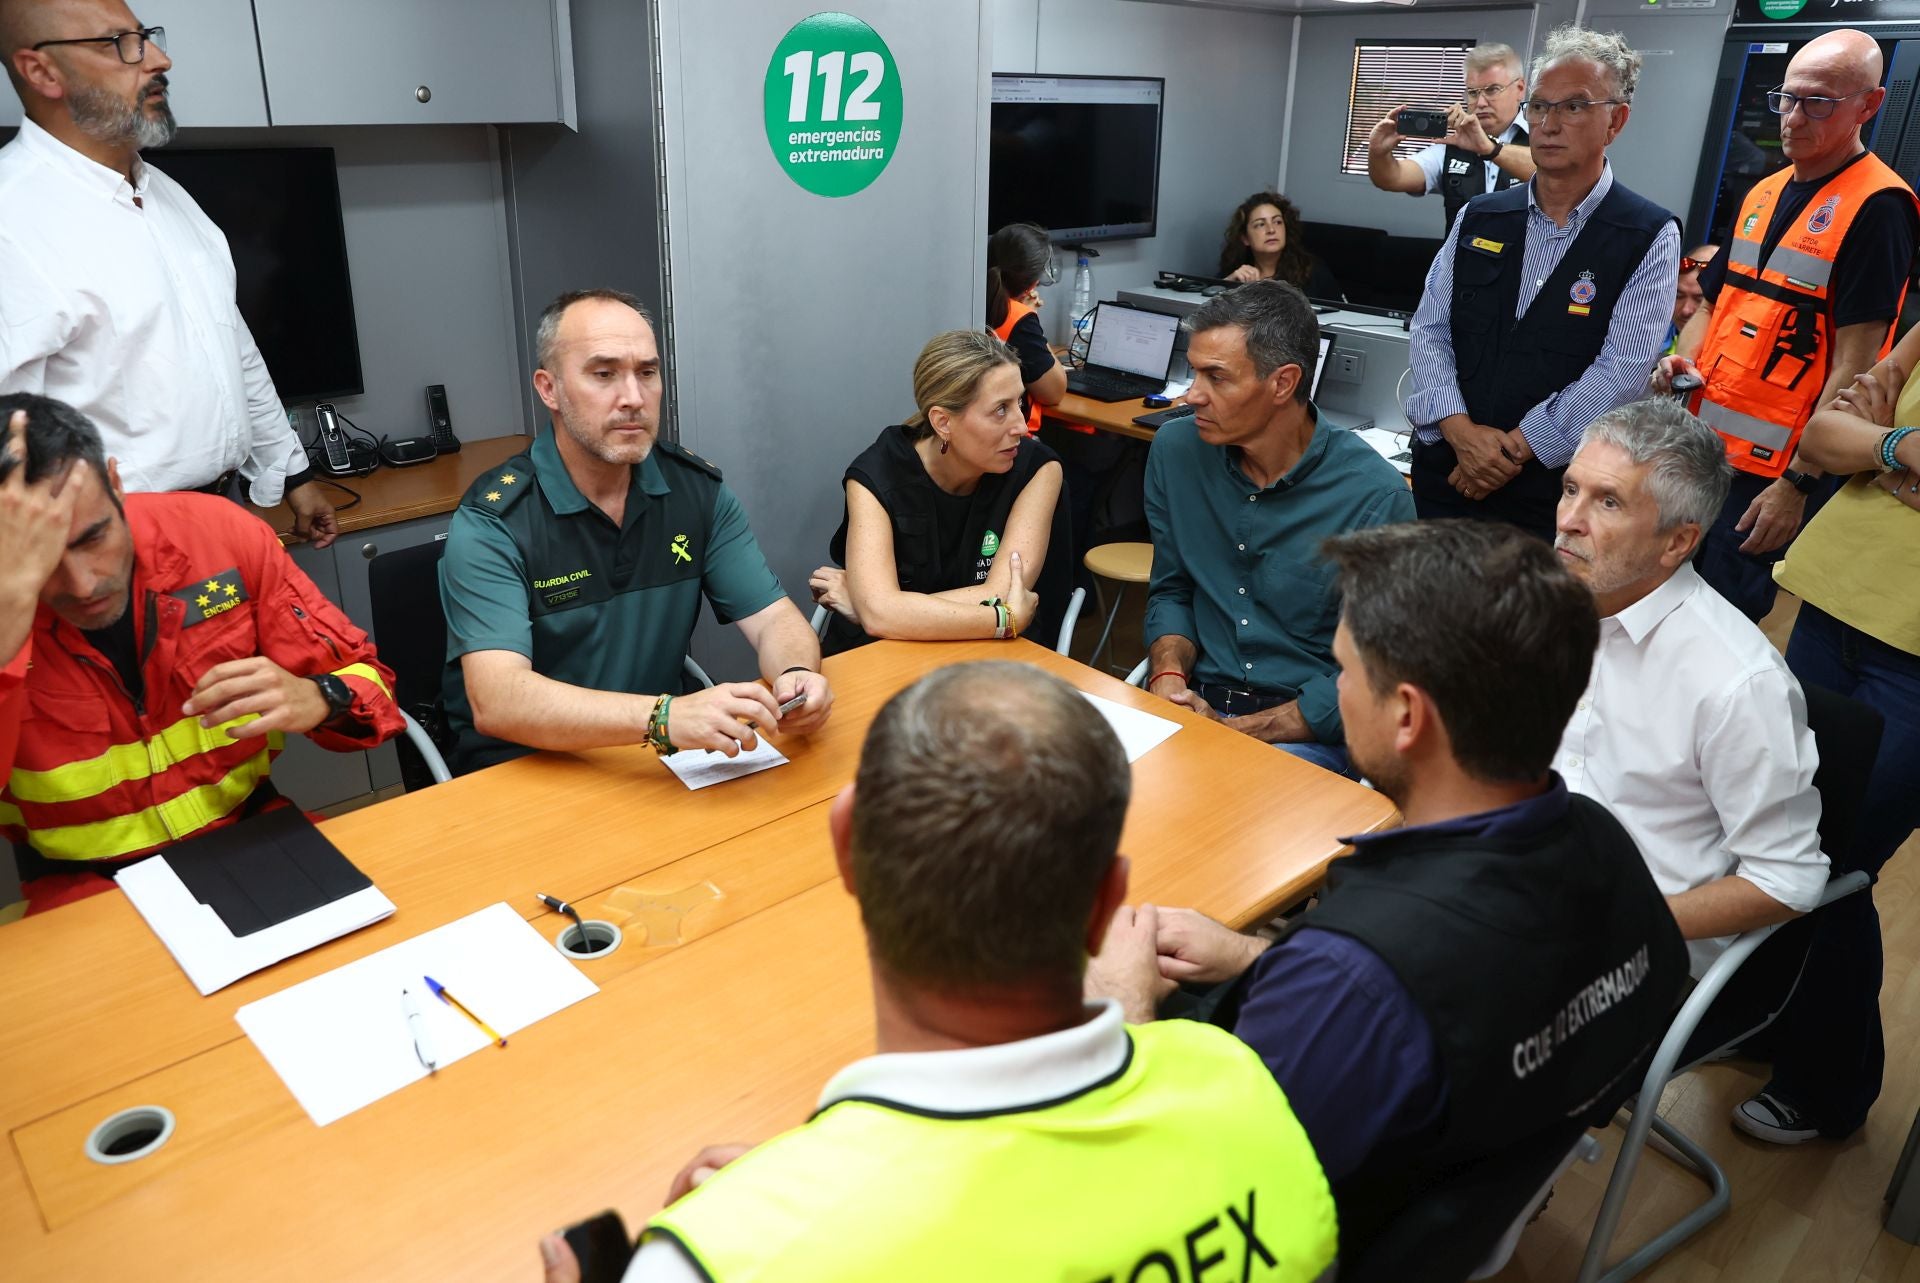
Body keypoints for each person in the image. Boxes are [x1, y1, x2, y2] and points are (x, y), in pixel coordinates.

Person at [538, 663, 1340, 1282]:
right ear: (1110, 903)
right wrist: (808, 1187)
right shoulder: (1245, 1085)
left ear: (846, 845)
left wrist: (786, 1207)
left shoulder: (717, 1254)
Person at [1086, 520, 1686, 1267]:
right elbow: (1460, 1011)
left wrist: (1123, 1011)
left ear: (1407, 715)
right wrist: (1258, 955)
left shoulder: (1353, 982)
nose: (1336, 689)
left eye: (1343, 669)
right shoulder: (1601, 841)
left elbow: (1187, 1192)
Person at [0, 395, 402, 913]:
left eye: (94, 536)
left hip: (253, 838)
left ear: (117, 486)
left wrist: (323, 696)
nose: (82, 584)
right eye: (41, 559)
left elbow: (373, 680)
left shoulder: (218, 535)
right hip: (83, 889)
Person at [439, 289, 832, 776]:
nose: (633, 397)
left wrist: (796, 674)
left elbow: (774, 619)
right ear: (550, 389)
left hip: (655, 758)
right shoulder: (494, 520)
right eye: (604, 374)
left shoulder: (695, 492)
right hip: (525, 769)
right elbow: (498, 700)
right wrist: (663, 716)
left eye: (647, 372)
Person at [0, 0, 338, 546]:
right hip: (112, 550)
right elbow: (9, 453)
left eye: (146, 36)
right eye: (119, 43)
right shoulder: (11, 224)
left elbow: (231, 347)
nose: (160, 59)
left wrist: (292, 473)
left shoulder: (168, 195)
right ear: (41, 71)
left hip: (221, 521)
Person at [1552, 398, 1829, 980]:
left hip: (1637, 945)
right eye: (1570, 489)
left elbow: (1787, 880)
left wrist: (1626, 919)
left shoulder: (1735, 682)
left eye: (1608, 502)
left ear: (1677, 543)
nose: (1569, 521)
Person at [1653, 29, 1919, 623]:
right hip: (1701, 450)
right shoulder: (1767, 188)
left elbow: (1857, 362)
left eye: (1818, 102)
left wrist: (1798, 482)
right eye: (1787, 98)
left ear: (1868, 107)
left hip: (1770, 473)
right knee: (1660, 605)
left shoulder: (1879, 206)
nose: (1795, 117)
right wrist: (1681, 359)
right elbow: (1716, 303)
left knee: (1713, 626)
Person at [1731, 331, 1920, 1145]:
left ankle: (1831, 1086)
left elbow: (1856, 447)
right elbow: (1822, 437)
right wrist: (1897, 446)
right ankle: (1770, 1018)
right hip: (1835, 601)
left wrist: (1877, 451)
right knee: (1776, 829)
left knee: (1837, 863)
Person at [1404, 26, 1679, 542]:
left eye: (1574, 107)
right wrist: (1460, 434)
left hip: (1552, 491)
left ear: (1615, 120)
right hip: (1448, 472)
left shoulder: (1646, 233)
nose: (1549, 125)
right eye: (1539, 106)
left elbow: (1623, 370)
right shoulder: (1480, 217)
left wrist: (1513, 450)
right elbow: (1430, 328)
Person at [1142, 280, 1413, 777]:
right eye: (1194, 371)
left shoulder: (1376, 497)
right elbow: (1173, 589)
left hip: (1305, 732)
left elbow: (1373, 667)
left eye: (1216, 378)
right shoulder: (1175, 452)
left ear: (1283, 383)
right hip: (1195, 702)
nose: (1193, 394)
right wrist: (1167, 675)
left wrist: (1241, 732)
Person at [808, 330, 1069, 654]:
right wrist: (1002, 619)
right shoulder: (876, 475)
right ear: (943, 422)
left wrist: (877, 609)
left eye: (1019, 402)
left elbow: (1003, 591)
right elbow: (1005, 609)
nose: (1021, 425)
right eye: (1000, 409)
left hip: (987, 657)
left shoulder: (1039, 469)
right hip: (881, 655)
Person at [1366, 42, 1536, 232]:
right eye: (1473, 92)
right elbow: (1392, 178)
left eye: (1492, 90)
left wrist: (1489, 148)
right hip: (1461, 259)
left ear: (1520, 89)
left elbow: (1556, 175)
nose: (1480, 102)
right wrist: (1378, 153)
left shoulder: (1541, 134)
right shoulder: (1453, 142)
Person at [984, 222, 1066, 436]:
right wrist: (1029, 316)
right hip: (1011, 439)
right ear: (1032, 285)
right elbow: (1054, 391)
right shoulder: (1018, 318)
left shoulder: (968, 296)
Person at [1216, 192, 1343, 299]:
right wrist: (1226, 284)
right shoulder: (1236, 270)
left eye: (1277, 222)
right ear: (1245, 238)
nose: (1271, 230)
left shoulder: (1313, 271)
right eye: (1260, 224)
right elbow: (1208, 315)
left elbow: (1343, 317)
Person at [1665, 244, 1718, 353]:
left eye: (1699, 299)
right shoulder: (1651, 335)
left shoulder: (1724, 355)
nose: (1686, 310)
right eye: (1679, 296)